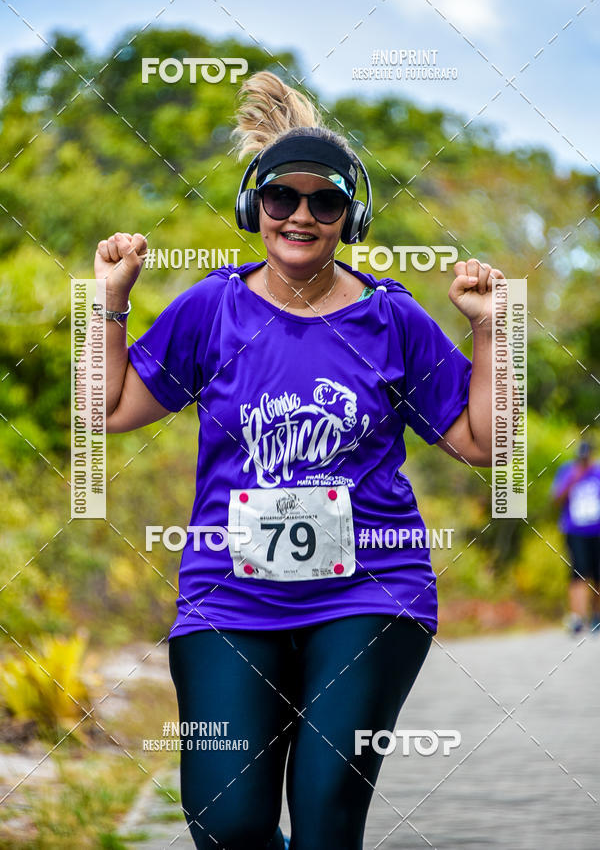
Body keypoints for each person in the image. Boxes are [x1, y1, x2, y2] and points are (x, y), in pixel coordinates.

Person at [97, 71, 505, 849]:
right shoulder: (210, 308)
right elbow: (107, 410)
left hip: (370, 593)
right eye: (283, 196)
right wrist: (110, 299)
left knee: (324, 819)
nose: (302, 215)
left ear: (350, 216)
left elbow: (481, 445)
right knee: (226, 822)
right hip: (228, 593)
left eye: (325, 200)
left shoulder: (393, 319)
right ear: (256, 207)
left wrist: (489, 330)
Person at [552, 440, 600, 635]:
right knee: (578, 572)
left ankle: (596, 617)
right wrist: (572, 480)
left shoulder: (598, 472)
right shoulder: (568, 471)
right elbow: (556, 499)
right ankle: (577, 618)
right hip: (575, 531)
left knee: (598, 575)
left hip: (597, 531)